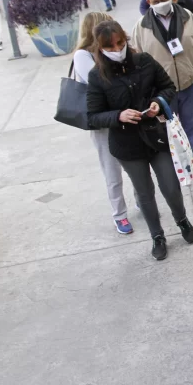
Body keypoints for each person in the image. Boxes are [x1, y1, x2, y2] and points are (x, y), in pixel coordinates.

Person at [86, 20, 193, 261]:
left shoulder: (144, 61)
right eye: (110, 47)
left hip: (156, 136)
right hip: (127, 144)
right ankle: (157, 236)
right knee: (144, 192)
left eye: (120, 43)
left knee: (170, 185)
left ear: (126, 39)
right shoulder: (97, 76)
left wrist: (158, 102)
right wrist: (118, 115)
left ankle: (182, 219)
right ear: (100, 48)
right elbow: (92, 116)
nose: (117, 50)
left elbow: (168, 87)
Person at [131, 0, 193, 179]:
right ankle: (176, 167)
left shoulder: (187, 16)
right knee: (168, 130)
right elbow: (138, 60)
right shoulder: (141, 27)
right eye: (156, 1)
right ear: (149, 2)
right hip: (162, 91)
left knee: (192, 125)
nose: (161, 3)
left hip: (190, 83)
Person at [73, 12, 133, 235]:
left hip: (124, 114)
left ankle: (140, 200)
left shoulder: (116, 52)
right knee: (112, 170)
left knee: (134, 162)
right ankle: (120, 214)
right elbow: (99, 82)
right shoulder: (82, 56)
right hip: (101, 121)